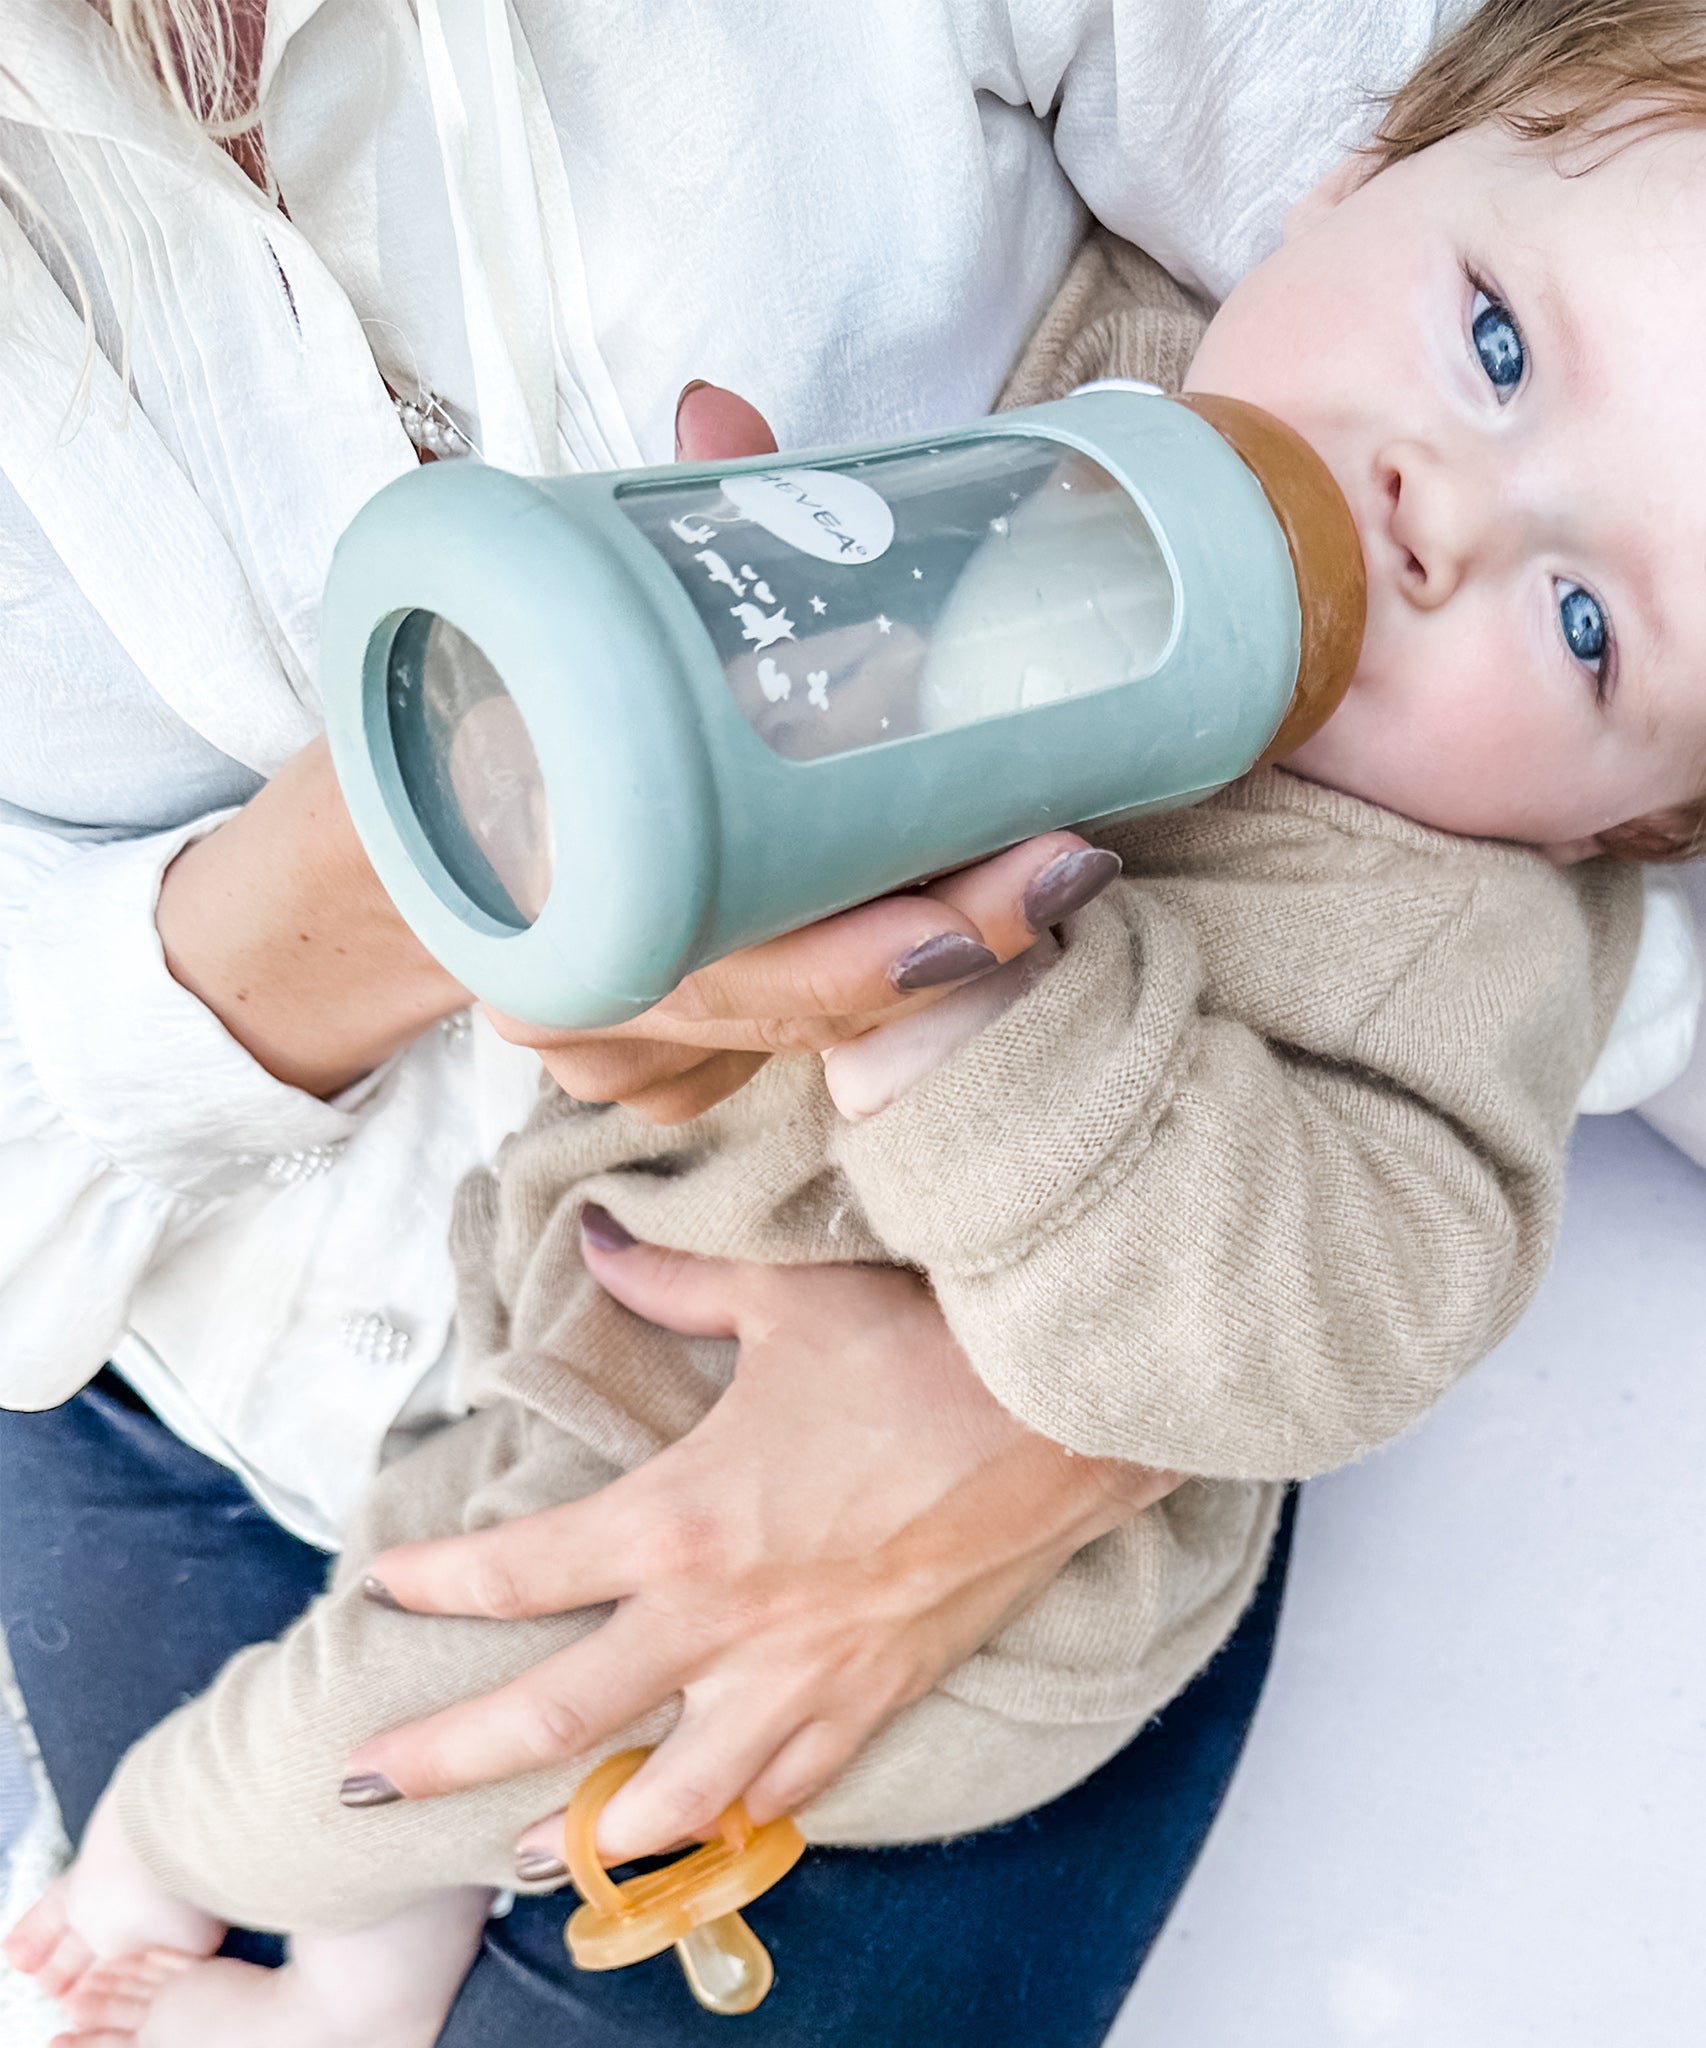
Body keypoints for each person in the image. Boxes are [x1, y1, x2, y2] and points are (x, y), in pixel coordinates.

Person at [13, 3, 1706, 2041]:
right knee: (460, 1575)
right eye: (1497, 350)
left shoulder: (1457, 935)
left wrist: (967, 1011)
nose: (1440, 508)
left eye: (1588, 622)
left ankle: (157, 1862)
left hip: (937, 1618)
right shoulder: (1121, 375)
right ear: (1349, 174)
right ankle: (361, 1958)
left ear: (1629, 819)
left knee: (421, 1711)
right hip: (457, 1287)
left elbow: (1318, 1328)